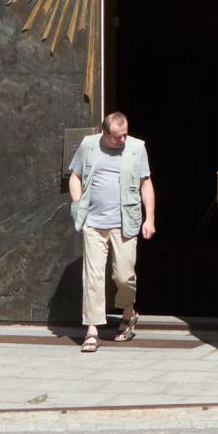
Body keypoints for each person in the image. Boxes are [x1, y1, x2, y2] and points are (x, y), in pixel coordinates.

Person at [67, 106, 155, 349]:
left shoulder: (136, 148)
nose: (122, 139)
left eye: (125, 134)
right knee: (93, 277)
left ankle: (128, 312)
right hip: (94, 223)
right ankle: (92, 330)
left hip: (125, 222)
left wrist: (150, 219)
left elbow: (146, 184)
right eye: (117, 136)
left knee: (124, 276)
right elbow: (75, 176)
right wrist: (79, 205)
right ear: (104, 133)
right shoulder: (89, 145)